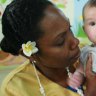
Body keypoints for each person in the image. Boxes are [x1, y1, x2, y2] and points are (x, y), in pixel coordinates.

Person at [0, 0, 96, 96]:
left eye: (69, 28)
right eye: (60, 41)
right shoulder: (15, 89)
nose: (76, 41)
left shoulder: (88, 53)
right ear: (31, 54)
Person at [80, 0, 96, 74]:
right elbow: (80, 69)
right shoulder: (85, 51)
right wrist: (77, 76)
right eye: (92, 23)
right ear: (85, 30)